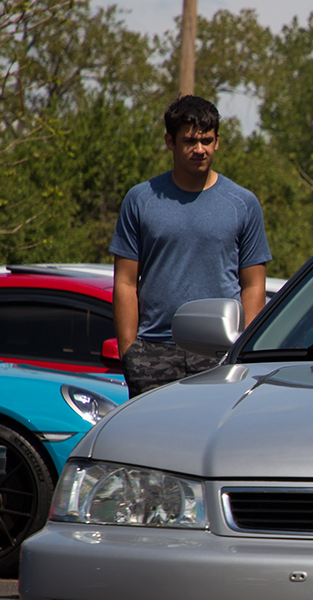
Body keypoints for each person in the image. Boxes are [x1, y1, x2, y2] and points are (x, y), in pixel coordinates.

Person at [110, 95, 271, 395]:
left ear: (218, 141)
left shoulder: (243, 204)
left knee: (217, 442)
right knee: (152, 442)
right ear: (170, 142)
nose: (200, 150)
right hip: (153, 351)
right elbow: (125, 282)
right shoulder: (140, 200)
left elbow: (253, 286)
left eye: (207, 141)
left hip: (221, 355)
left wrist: (243, 351)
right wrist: (130, 352)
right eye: (190, 141)